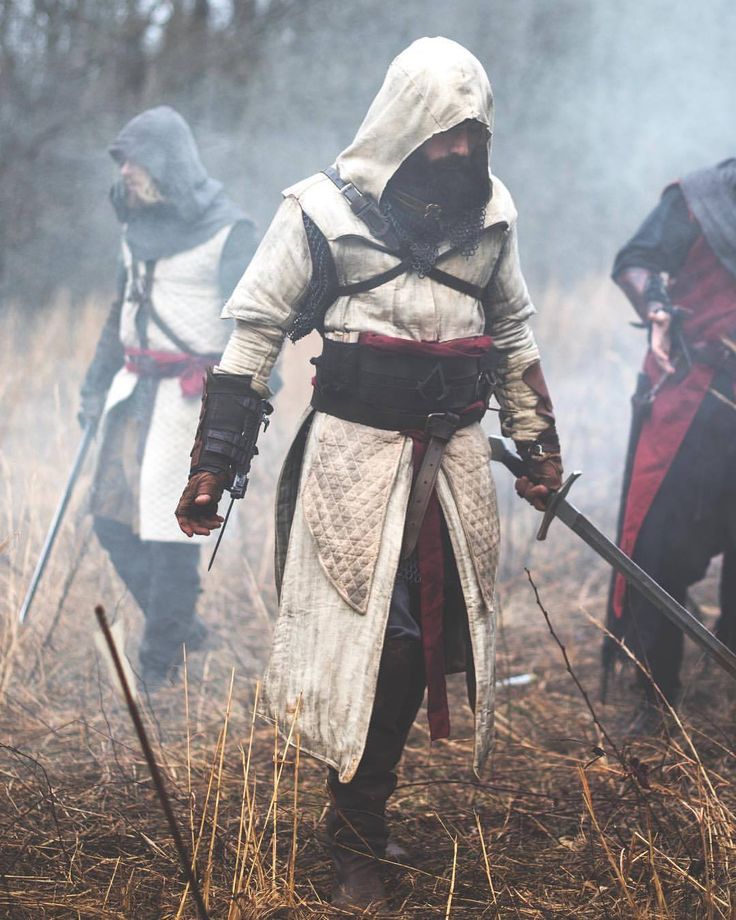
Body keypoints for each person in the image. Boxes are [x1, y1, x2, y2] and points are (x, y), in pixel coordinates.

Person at [175, 38, 563, 909]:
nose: (461, 151)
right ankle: (354, 832)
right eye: (444, 133)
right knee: (375, 640)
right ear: (404, 125)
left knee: (432, 641)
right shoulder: (319, 212)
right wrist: (214, 467)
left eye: (473, 133)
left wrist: (538, 448)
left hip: (454, 465)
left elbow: (513, 339)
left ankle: (362, 803)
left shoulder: (492, 215)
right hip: (357, 463)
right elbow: (254, 335)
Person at [79, 105, 257, 689]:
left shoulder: (229, 230)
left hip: (191, 401)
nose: (125, 170)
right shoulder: (135, 223)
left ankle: (157, 671)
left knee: (171, 533)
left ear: (165, 162)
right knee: (110, 519)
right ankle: (181, 627)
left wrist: (239, 410)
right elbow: (121, 310)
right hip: (133, 393)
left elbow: (252, 330)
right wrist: (94, 384)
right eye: (122, 160)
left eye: (134, 158)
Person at [605, 158, 736, 711]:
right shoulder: (700, 197)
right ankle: (654, 693)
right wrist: (656, 308)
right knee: (655, 546)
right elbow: (635, 260)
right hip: (692, 393)